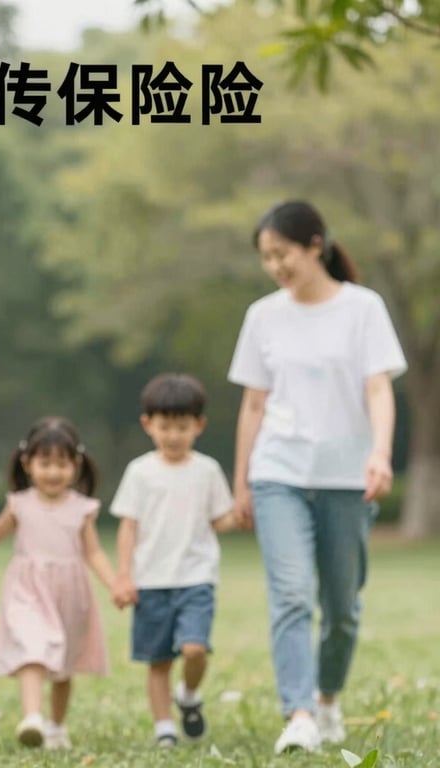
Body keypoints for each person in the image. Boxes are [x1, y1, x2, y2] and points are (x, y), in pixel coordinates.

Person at [228, 200, 407, 754]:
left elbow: (378, 389)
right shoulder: (263, 316)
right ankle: (299, 712)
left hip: (346, 477)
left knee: (343, 609)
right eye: (266, 258)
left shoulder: (363, 308)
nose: (276, 266)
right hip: (277, 472)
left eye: (282, 253)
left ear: (314, 244)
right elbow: (254, 405)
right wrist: (242, 481)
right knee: (289, 595)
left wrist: (379, 454)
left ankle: (327, 698)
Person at [0, 417, 115, 750]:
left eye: (61, 464)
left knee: (64, 666)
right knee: (33, 649)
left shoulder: (83, 509)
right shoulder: (20, 504)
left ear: (76, 465)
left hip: (70, 592)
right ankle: (32, 717)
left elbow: (94, 554)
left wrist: (115, 585)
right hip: (28, 589)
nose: (52, 472)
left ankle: (57, 726)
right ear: (27, 464)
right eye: (44, 463)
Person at [110, 373, 235, 748]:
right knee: (159, 660)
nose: (174, 435)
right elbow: (128, 527)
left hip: (196, 577)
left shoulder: (208, 470)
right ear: (148, 424)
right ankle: (165, 726)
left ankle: (190, 695)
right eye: (165, 426)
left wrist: (242, 515)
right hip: (151, 579)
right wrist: (123, 575)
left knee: (195, 648)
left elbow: (220, 521)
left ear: (199, 425)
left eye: (182, 427)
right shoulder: (140, 472)